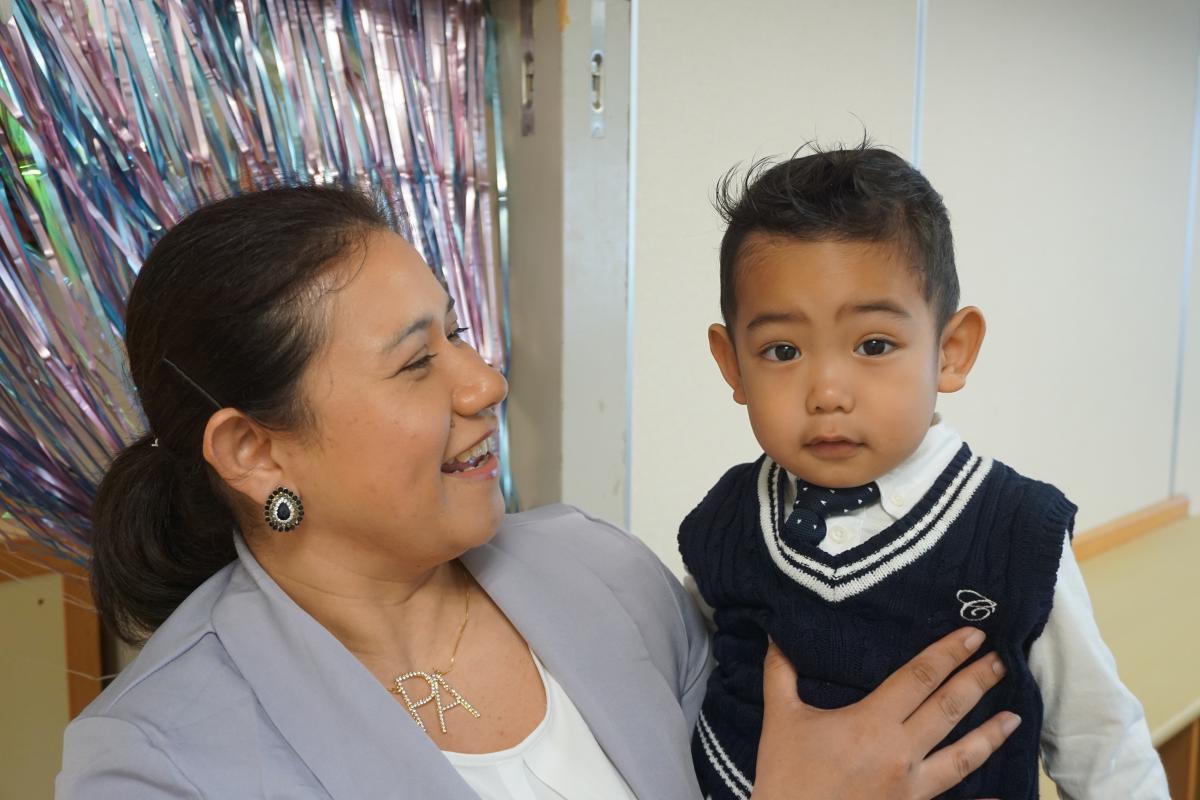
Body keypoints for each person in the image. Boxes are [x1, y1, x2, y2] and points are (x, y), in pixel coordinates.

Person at [58, 184, 1017, 799]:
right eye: (416, 363)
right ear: (255, 452)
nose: (485, 383)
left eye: (457, 333)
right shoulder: (155, 763)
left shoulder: (602, 571)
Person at [681, 145, 1169, 799]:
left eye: (874, 344)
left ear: (951, 351)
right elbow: (692, 677)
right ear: (732, 364)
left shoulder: (1015, 537)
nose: (828, 392)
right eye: (783, 350)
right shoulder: (728, 519)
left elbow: (1103, 748)